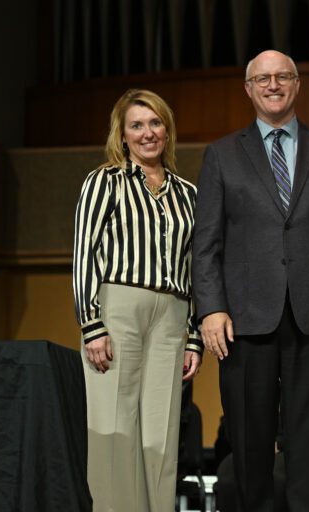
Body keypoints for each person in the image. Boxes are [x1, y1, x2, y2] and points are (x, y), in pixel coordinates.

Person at [191, 49, 309, 512]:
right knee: (249, 447)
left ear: (297, 84)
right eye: (262, 78)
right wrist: (210, 308)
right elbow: (205, 243)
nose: (273, 85)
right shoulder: (221, 155)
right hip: (244, 323)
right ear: (248, 89)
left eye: (282, 76)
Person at [72, 88, 202, 511]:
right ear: (122, 135)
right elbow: (84, 254)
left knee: (159, 434)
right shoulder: (103, 181)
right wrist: (92, 324)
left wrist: (195, 336)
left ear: (167, 129)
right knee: (115, 427)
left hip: (173, 315)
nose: (148, 133)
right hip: (118, 308)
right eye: (137, 125)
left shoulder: (189, 194)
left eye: (156, 123)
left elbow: (198, 268)